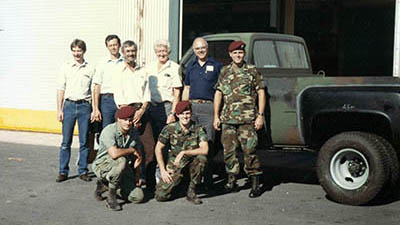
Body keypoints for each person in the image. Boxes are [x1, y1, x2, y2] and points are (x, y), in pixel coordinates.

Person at [213, 41, 266, 198]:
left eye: (240, 53)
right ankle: (231, 180)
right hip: (228, 119)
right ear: (230, 54)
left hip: (247, 119)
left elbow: (261, 92)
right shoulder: (224, 71)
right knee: (229, 152)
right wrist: (216, 116)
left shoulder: (251, 71)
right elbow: (219, 93)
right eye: (235, 53)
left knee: (250, 151)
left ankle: (255, 183)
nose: (238, 55)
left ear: (244, 54)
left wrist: (260, 115)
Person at [182, 37, 223, 190]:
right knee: (191, 141)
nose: (200, 51)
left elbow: (220, 91)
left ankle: (207, 179)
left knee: (209, 142)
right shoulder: (190, 67)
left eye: (203, 48)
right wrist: (183, 108)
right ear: (194, 51)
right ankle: (191, 179)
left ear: (207, 48)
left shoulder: (217, 65)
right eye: (197, 49)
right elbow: (186, 89)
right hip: (192, 107)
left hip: (208, 108)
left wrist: (217, 113)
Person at [113, 40, 153, 185]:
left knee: (149, 147)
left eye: (133, 51)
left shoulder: (143, 71)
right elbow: (118, 97)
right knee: (127, 148)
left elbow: (147, 94)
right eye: (128, 51)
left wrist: (141, 110)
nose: (131, 54)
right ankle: (126, 180)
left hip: (142, 111)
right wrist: (130, 117)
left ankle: (144, 179)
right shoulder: (118, 71)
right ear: (123, 53)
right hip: (125, 112)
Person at [154, 101, 208, 204]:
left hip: (192, 160)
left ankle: (191, 190)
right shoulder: (170, 128)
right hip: (175, 162)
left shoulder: (198, 128)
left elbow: (205, 149)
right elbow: (158, 148)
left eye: (187, 113)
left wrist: (184, 152)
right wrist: (162, 170)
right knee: (160, 196)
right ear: (177, 115)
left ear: (191, 114)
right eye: (182, 114)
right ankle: (179, 184)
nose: (185, 116)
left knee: (202, 159)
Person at [56, 39, 95, 183]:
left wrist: (93, 109)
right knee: (66, 142)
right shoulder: (65, 67)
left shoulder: (90, 68)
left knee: (84, 141)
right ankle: (63, 171)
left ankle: (83, 170)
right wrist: (59, 109)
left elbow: (93, 89)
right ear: (71, 51)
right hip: (69, 106)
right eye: (74, 50)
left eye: (79, 50)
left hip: (85, 106)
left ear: (84, 51)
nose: (77, 53)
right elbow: (61, 89)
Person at [92, 106, 144, 211]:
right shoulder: (109, 131)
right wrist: (131, 150)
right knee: (121, 160)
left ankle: (107, 185)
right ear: (118, 119)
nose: (128, 123)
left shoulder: (133, 133)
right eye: (125, 120)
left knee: (138, 196)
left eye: (130, 120)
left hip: (122, 168)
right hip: (104, 165)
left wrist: (137, 175)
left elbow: (138, 156)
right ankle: (111, 197)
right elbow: (114, 154)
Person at [146, 39, 182, 188]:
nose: (162, 53)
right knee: (151, 143)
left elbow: (177, 92)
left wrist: (173, 113)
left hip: (167, 109)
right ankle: (149, 179)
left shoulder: (174, 67)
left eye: (164, 50)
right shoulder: (149, 67)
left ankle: (164, 177)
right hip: (151, 108)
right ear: (155, 52)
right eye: (159, 51)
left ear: (169, 52)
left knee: (164, 144)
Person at [92, 34, 124, 129]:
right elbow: (97, 86)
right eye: (110, 45)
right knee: (107, 129)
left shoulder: (125, 62)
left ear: (119, 45)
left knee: (121, 129)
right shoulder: (102, 64)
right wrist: (96, 108)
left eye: (115, 45)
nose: (113, 48)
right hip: (107, 100)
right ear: (107, 47)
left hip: (122, 100)